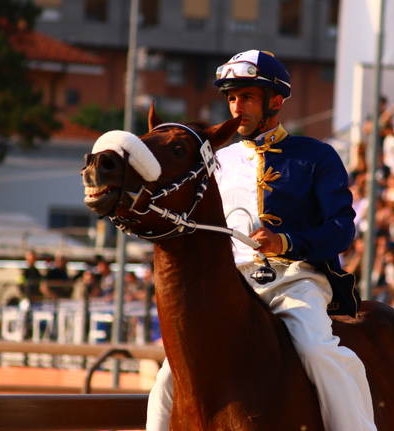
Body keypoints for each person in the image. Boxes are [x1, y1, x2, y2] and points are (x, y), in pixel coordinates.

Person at [146, 50, 376, 431]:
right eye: (232, 98)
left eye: (247, 97)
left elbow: (342, 230)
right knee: (168, 377)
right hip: (230, 285)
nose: (237, 107)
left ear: (276, 101)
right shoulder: (218, 159)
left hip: (296, 279)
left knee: (317, 352)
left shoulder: (316, 156)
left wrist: (284, 242)